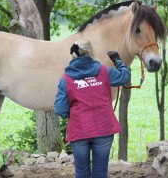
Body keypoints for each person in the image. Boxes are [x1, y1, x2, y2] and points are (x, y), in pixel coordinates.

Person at [54, 39, 131, 178]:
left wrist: (74, 115)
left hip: (79, 131)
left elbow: (60, 109)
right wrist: (117, 60)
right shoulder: (104, 71)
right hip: (104, 129)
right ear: (90, 53)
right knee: (100, 173)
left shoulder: (65, 79)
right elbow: (124, 77)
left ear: (74, 54)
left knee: (82, 173)